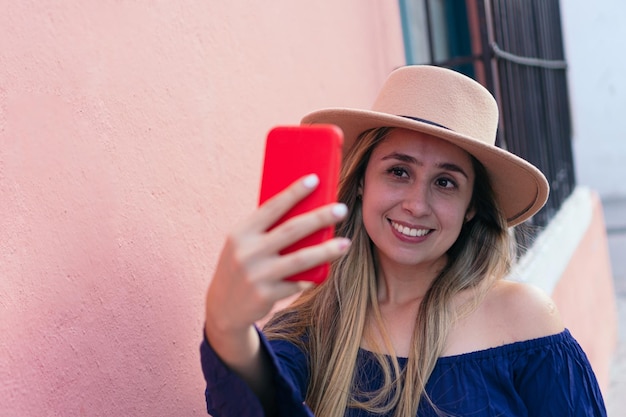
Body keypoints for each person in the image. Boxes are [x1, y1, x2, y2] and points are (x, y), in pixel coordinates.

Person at [200, 65, 607, 416]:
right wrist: (227, 328)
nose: (416, 204)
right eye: (398, 171)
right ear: (361, 182)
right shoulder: (308, 328)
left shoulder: (523, 319)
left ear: (470, 207)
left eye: (445, 182)